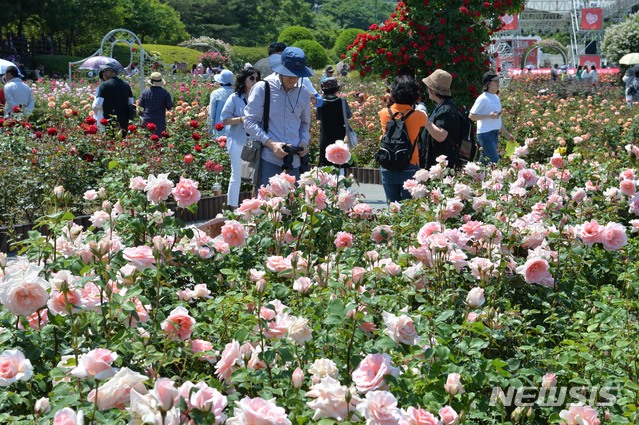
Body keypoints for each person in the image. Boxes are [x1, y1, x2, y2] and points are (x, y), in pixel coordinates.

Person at [244, 46, 312, 187]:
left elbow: (305, 123)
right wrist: (272, 144)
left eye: (297, 74)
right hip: (269, 159)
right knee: (267, 206)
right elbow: (249, 121)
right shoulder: (263, 87)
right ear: (280, 69)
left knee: (294, 206)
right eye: (289, 74)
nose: (293, 78)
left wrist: (304, 143)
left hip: (295, 161)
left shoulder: (304, 92)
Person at [378, 75, 427, 203]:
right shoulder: (418, 116)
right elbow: (425, 119)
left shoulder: (384, 113)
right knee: (408, 209)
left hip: (388, 163)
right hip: (410, 163)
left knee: (393, 207)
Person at [220, 67, 262, 208]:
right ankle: (232, 207)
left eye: (257, 79)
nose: (255, 81)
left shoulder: (259, 98)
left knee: (256, 175)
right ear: (244, 80)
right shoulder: (235, 98)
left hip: (255, 140)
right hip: (238, 139)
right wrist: (242, 119)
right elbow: (225, 119)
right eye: (252, 78)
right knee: (236, 175)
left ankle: (253, 207)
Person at [469, 72, 515, 164]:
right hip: (485, 134)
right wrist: (488, 116)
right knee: (495, 161)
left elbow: (498, 119)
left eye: (498, 80)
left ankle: (476, 176)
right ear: (488, 83)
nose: (498, 83)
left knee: (485, 162)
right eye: (495, 81)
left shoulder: (496, 98)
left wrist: (507, 134)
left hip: (494, 133)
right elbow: (471, 116)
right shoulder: (482, 98)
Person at [421, 69, 461, 169]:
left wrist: (425, 120)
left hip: (442, 166)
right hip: (440, 163)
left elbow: (441, 136)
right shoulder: (444, 105)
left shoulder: (445, 109)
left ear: (433, 90)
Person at [317, 77, 352, 169]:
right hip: (340, 137)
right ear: (336, 89)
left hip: (325, 137)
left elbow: (318, 117)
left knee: (325, 166)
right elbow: (349, 115)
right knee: (340, 164)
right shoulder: (342, 102)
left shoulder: (320, 103)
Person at [94, 61, 134, 133]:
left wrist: (96, 113)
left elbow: (98, 104)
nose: (103, 73)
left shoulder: (104, 85)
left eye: (105, 70)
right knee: (121, 142)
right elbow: (131, 103)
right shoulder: (126, 85)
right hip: (123, 121)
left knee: (110, 142)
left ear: (111, 71)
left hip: (108, 120)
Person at [138, 72, 174, 136]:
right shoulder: (165, 93)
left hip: (147, 119)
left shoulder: (145, 92)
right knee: (159, 141)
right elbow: (170, 107)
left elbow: (140, 105)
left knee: (146, 140)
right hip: (160, 120)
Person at [208, 69, 234, 135]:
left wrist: (209, 130)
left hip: (219, 128)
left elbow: (211, 114)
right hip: (233, 129)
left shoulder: (215, 93)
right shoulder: (235, 93)